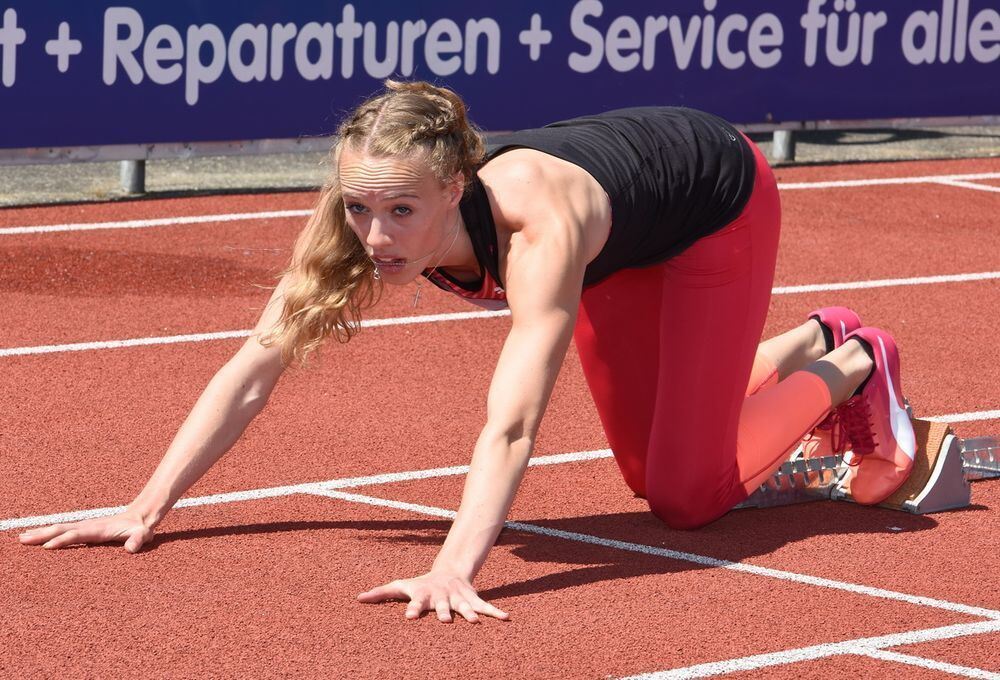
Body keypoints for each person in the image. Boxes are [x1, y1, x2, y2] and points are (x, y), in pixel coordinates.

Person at [19, 80, 916, 624]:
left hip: (714, 203)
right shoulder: (360, 222)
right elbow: (256, 364)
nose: (376, 234)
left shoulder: (537, 235)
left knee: (685, 496)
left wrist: (455, 566)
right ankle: (812, 335)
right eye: (360, 206)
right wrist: (146, 506)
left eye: (402, 211)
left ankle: (856, 359)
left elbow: (514, 421)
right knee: (645, 468)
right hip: (630, 230)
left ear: (455, 187)